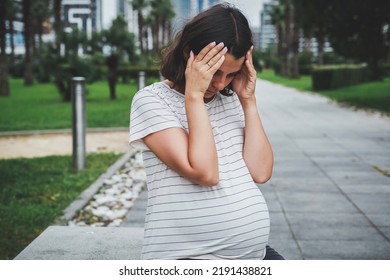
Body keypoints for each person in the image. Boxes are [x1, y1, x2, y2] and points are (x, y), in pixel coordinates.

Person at [129, 3, 283, 260]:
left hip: (254, 256)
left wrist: (248, 101)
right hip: (189, 259)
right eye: (215, 72)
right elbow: (204, 172)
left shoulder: (230, 99)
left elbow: (261, 171)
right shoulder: (152, 101)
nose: (221, 83)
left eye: (232, 75)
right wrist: (194, 96)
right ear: (190, 54)